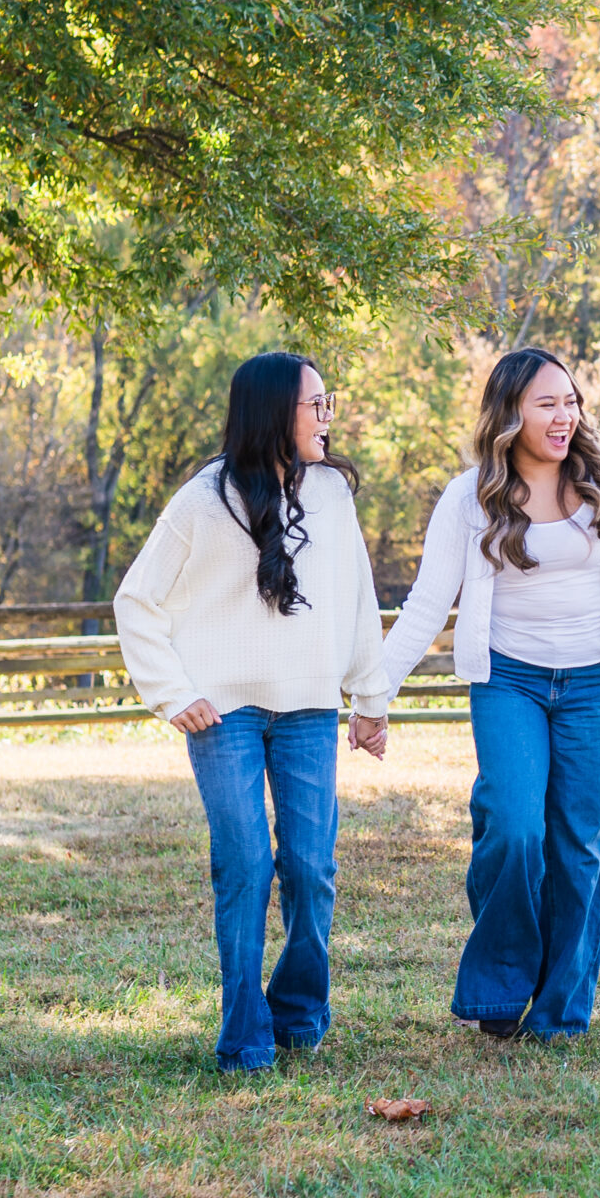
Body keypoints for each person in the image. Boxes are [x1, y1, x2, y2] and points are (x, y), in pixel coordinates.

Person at [370, 348, 600, 1041]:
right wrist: (374, 697)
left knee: (581, 845)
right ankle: (499, 990)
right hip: (509, 680)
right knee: (516, 828)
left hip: (594, 682)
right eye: (546, 404)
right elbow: (428, 601)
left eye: (570, 401)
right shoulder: (470, 498)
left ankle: (558, 1013)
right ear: (510, 415)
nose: (564, 416)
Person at [115, 352, 391, 1074]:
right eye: (315, 405)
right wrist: (174, 693)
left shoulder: (330, 495)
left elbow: (357, 598)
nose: (327, 418)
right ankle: (245, 1032)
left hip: (308, 710)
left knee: (311, 866)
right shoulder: (201, 502)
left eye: (329, 403)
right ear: (273, 412)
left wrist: (370, 701)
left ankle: (297, 1013)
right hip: (224, 715)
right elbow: (136, 600)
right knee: (244, 865)